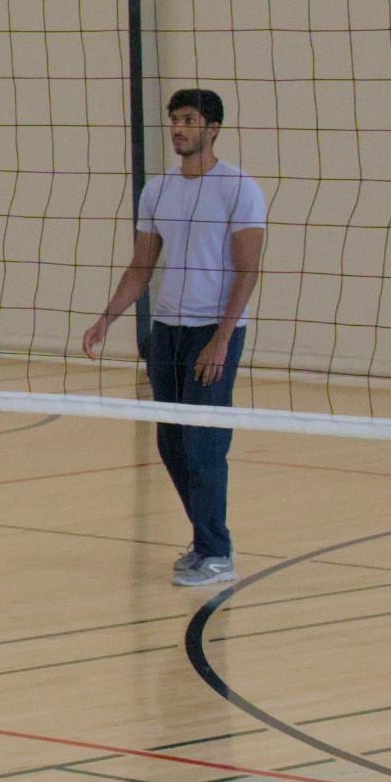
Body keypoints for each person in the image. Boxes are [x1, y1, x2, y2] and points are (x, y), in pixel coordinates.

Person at [74, 88, 269, 587]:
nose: (178, 129)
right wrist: (108, 317)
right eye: (174, 120)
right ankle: (205, 542)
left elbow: (248, 270)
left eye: (188, 120)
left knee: (203, 443)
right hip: (166, 332)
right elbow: (142, 266)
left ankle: (217, 551)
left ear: (213, 128)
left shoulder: (239, 188)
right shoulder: (157, 191)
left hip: (212, 331)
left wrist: (222, 338)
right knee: (170, 443)